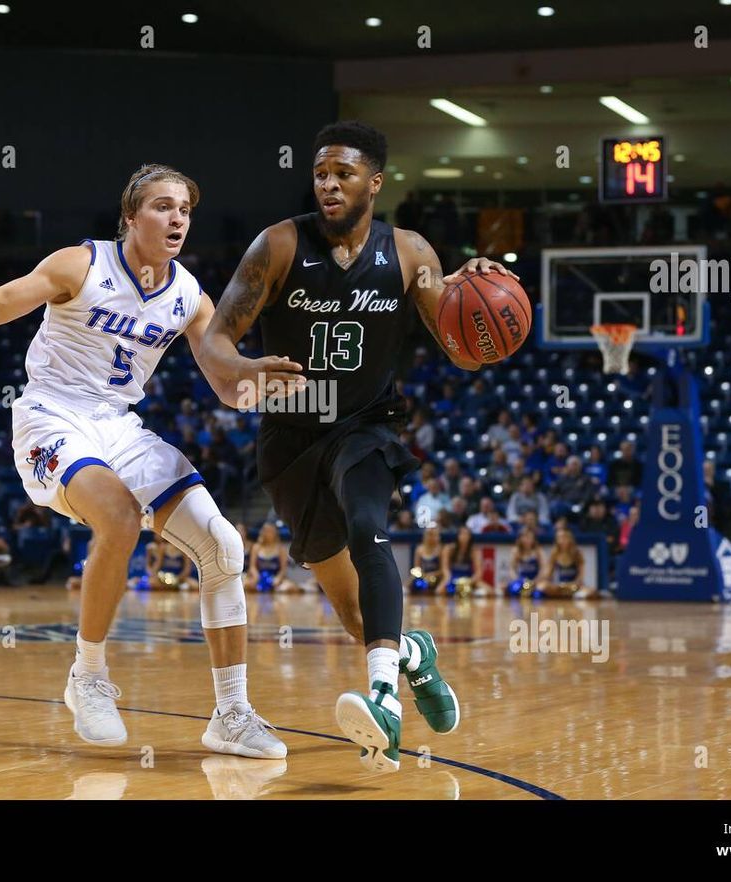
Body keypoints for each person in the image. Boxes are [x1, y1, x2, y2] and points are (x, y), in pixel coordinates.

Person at [0, 163, 285, 758]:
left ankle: (232, 713)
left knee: (223, 546)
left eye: (185, 210)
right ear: (131, 218)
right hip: (51, 418)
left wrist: (257, 382)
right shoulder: (79, 265)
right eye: (163, 207)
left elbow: (225, 382)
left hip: (119, 426)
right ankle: (87, 675)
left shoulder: (189, 295)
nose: (177, 219)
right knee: (116, 517)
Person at [199, 121, 517, 771]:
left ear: (374, 182)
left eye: (343, 173)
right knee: (348, 604)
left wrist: (472, 298)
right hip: (290, 436)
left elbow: (464, 353)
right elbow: (215, 337)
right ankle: (411, 655)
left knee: (371, 525)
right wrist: (243, 371)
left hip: (366, 424)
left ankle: (383, 699)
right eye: (320, 172)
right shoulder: (279, 245)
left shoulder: (409, 255)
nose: (329, 183)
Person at [243, 522, 300, 593]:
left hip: (275, 578)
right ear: (262, 532)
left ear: (275, 533)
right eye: (266, 531)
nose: (268, 533)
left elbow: (283, 569)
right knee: (246, 585)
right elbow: (252, 567)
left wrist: (278, 578)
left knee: (288, 588)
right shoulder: (256, 547)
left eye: (270, 531)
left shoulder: (281, 548)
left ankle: (274, 589)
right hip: (259, 577)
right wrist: (256, 576)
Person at [536, 526, 591, 598]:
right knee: (542, 587)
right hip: (560, 586)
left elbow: (580, 577)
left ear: (570, 539)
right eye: (559, 538)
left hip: (574, 585)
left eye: (564, 537)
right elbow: (548, 575)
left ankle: (573, 595)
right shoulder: (554, 554)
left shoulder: (577, 553)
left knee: (590, 592)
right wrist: (544, 581)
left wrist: (572, 584)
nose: (562, 540)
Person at [442, 526, 483, 596]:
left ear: (470, 537)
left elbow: (478, 572)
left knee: (488, 591)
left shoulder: (474, 551)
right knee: (439, 591)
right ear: (457, 536)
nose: (464, 537)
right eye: (462, 534)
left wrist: (469, 582)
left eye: (466, 534)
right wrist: (448, 579)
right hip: (452, 578)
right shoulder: (449, 549)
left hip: (468, 579)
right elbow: (445, 568)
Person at [505, 528, 543, 597]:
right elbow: (511, 569)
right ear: (520, 539)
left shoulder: (538, 551)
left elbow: (542, 569)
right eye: (524, 537)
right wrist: (516, 579)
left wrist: (535, 581)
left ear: (533, 539)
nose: (526, 540)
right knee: (514, 589)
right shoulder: (516, 551)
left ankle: (528, 593)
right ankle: (524, 593)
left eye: (529, 537)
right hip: (521, 581)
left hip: (534, 581)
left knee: (537, 595)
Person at [410, 525, 445, 593]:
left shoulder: (441, 549)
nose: (431, 537)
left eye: (434, 535)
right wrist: (423, 575)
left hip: (437, 578)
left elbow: (443, 570)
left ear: (438, 537)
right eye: (429, 535)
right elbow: (416, 568)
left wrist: (432, 574)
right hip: (423, 578)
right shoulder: (419, 549)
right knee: (416, 583)